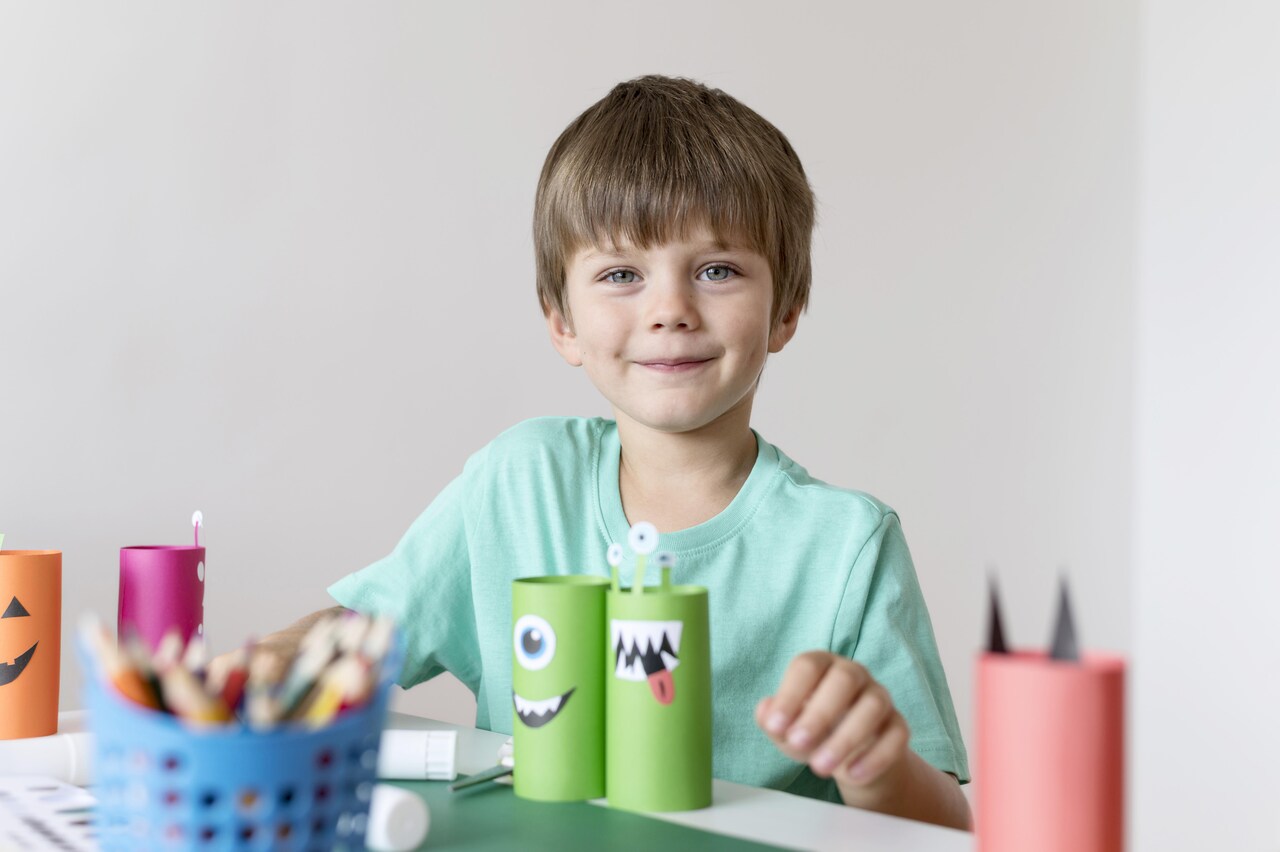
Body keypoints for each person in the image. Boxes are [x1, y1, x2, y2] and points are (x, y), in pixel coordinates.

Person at [249, 74, 970, 829]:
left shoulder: (846, 546)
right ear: (562, 321)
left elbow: (948, 829)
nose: (670, 312)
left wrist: (876, 762)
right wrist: (289, 652)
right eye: (622, 275)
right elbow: (359, 637)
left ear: (786, 308)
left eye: (717, 270)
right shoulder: (517, 483)